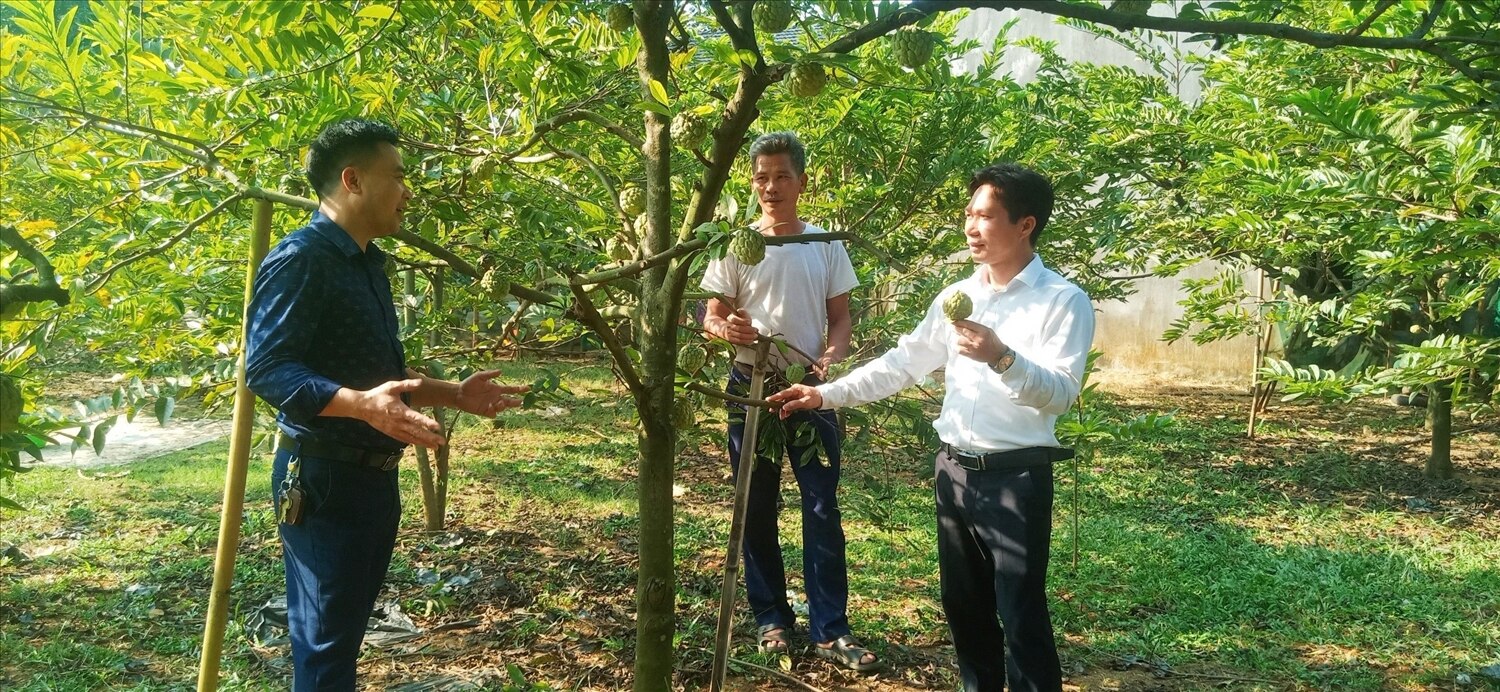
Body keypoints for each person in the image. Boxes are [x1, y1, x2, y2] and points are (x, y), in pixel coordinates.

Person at [769, 162, 1094, 692]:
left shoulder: (1062, 301)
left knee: (1020, 615)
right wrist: (823, 394)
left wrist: (1002, 357)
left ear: (1025, 224)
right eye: (968, 215)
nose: (970, 227)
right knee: (963, 611)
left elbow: (1059, 395)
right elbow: (902, 363)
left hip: (1016, 478)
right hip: (954, 473)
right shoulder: (956, 296)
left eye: (985, 216)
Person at [245, 118, 528, 691]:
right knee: (324, 645)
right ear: (352, 180)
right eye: (397, 176)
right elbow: (267, 369)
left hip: (371, 478)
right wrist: (360, 406)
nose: (407, 191)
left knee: (342, 637)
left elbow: (383, 378)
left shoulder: (367, 262)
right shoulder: (302, 258)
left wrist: (454, 395)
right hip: (324, 479)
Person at [700, 132, 880, 671]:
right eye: (761, 177)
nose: (771, 187)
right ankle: (771, 619)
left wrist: (829, 361)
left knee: (821, 507)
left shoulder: (824, 243)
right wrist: (725, 329)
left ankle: (831, 628)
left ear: (802, 181)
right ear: (751, 183)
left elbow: (842, 318)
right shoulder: (738, 243)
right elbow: (712, 315)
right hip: (750, 392)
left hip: (810, 392)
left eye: (781, 176)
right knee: (755, 507)